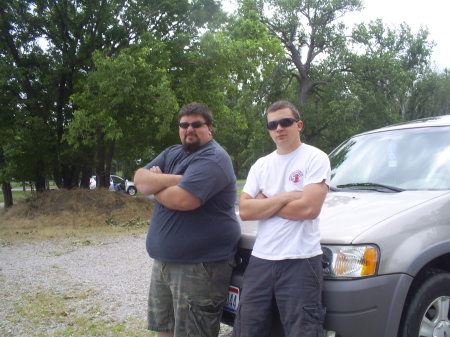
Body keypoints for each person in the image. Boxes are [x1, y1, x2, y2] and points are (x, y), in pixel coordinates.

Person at [134, 102, 241, 337]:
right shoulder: (173, 152)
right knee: (164, 329)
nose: (189, 129)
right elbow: (140, 180)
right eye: (184, 124)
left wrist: (156, 184)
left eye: (196, 124)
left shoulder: (214, 158)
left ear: (210, 129)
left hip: (200, 266)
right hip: (164, 262)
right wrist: (175, 179)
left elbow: (184, 200)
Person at [233, 101, 331, 337]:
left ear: (299, 125)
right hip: (261, 260)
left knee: (303, 331)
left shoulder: (315, 158)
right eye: (272, 124)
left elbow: (308, 209)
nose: (279, 128)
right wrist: (288, 196)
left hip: (301, 260)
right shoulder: (261, 165)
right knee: (247, 329)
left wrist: (265, 202)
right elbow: (245, 210)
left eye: (285, 122)